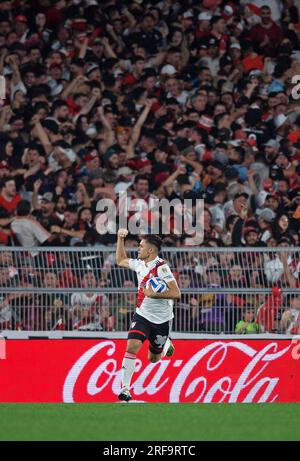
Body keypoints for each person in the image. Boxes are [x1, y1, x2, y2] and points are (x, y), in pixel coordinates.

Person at [116, 229, 181, 402]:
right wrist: (120, 239)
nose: (138, 249)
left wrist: (153, 294)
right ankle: (125, 389)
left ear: (151, 250)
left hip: (162, 319)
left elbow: (176, 293)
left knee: (153, 358)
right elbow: (120, 260)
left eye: (141, 246)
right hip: (142, 315)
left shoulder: (162, 268)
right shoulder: (139, 264)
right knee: (131, 346)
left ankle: (166, 341)